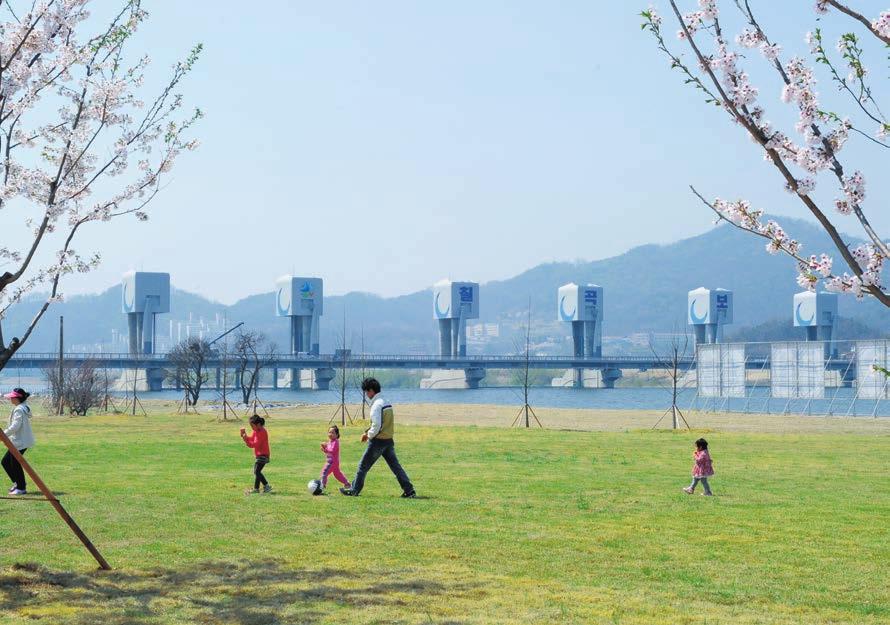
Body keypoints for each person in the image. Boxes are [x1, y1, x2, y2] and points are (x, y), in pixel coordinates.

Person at [341, 377, 415, 498]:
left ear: (371, 390)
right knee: (396, 468)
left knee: (362, 466)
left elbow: (377, 426)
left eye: (366, 392)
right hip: (389, 440)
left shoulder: (376, 405)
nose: (366, 394)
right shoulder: (387, 402)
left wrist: (368, 435)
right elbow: (384, 424)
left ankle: (354, 490)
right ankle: (409, 490)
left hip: (378, 441)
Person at [3, 388, 35, 496]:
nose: (10, 398)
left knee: (15, 463)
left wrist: (3, 434)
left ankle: (21, 488)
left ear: (17, 398)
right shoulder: (22, 407)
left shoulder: (19, 410)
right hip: (20, 441)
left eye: (12, 397)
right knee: (6, 462)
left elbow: (15, 426)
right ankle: (19, 483)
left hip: (20, 442)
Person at [241, 415, 271, 494]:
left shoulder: (262, 432)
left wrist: (245, 440)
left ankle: (262, 487)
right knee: (257, 471)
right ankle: (260, 488)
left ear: (258, 424)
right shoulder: (256, 431)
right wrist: (245, 436)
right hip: (259, 454)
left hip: (263, 455)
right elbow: (252, 438)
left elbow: (254, 444)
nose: (251, 427)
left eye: (252, 425)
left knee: (257, 471)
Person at [320, 425, 350, 492]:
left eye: (333, 433)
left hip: (332, 462)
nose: (330, 434)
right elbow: (328, 452)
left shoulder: (336, 442)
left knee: (324, 472)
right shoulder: (330, 441)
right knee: (337, 474)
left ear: (337, 435)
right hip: (333, 462)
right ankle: (347, 484)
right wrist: (324, 449)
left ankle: (322, 485)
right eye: (329, 432)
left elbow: (332, 450)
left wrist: (326, 447)